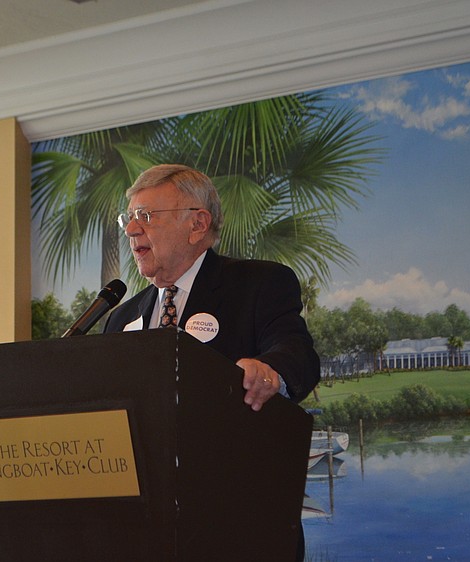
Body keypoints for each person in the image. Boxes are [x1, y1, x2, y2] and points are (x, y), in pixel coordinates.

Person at [103, 163, 320, 561]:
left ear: (197, 224)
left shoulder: (258, 285)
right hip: (142, 534)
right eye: (128, 218)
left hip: (238, 528)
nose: (132, 230)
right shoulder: (120, 318)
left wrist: (269, 371)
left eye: (146, 216)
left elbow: (297, 353)